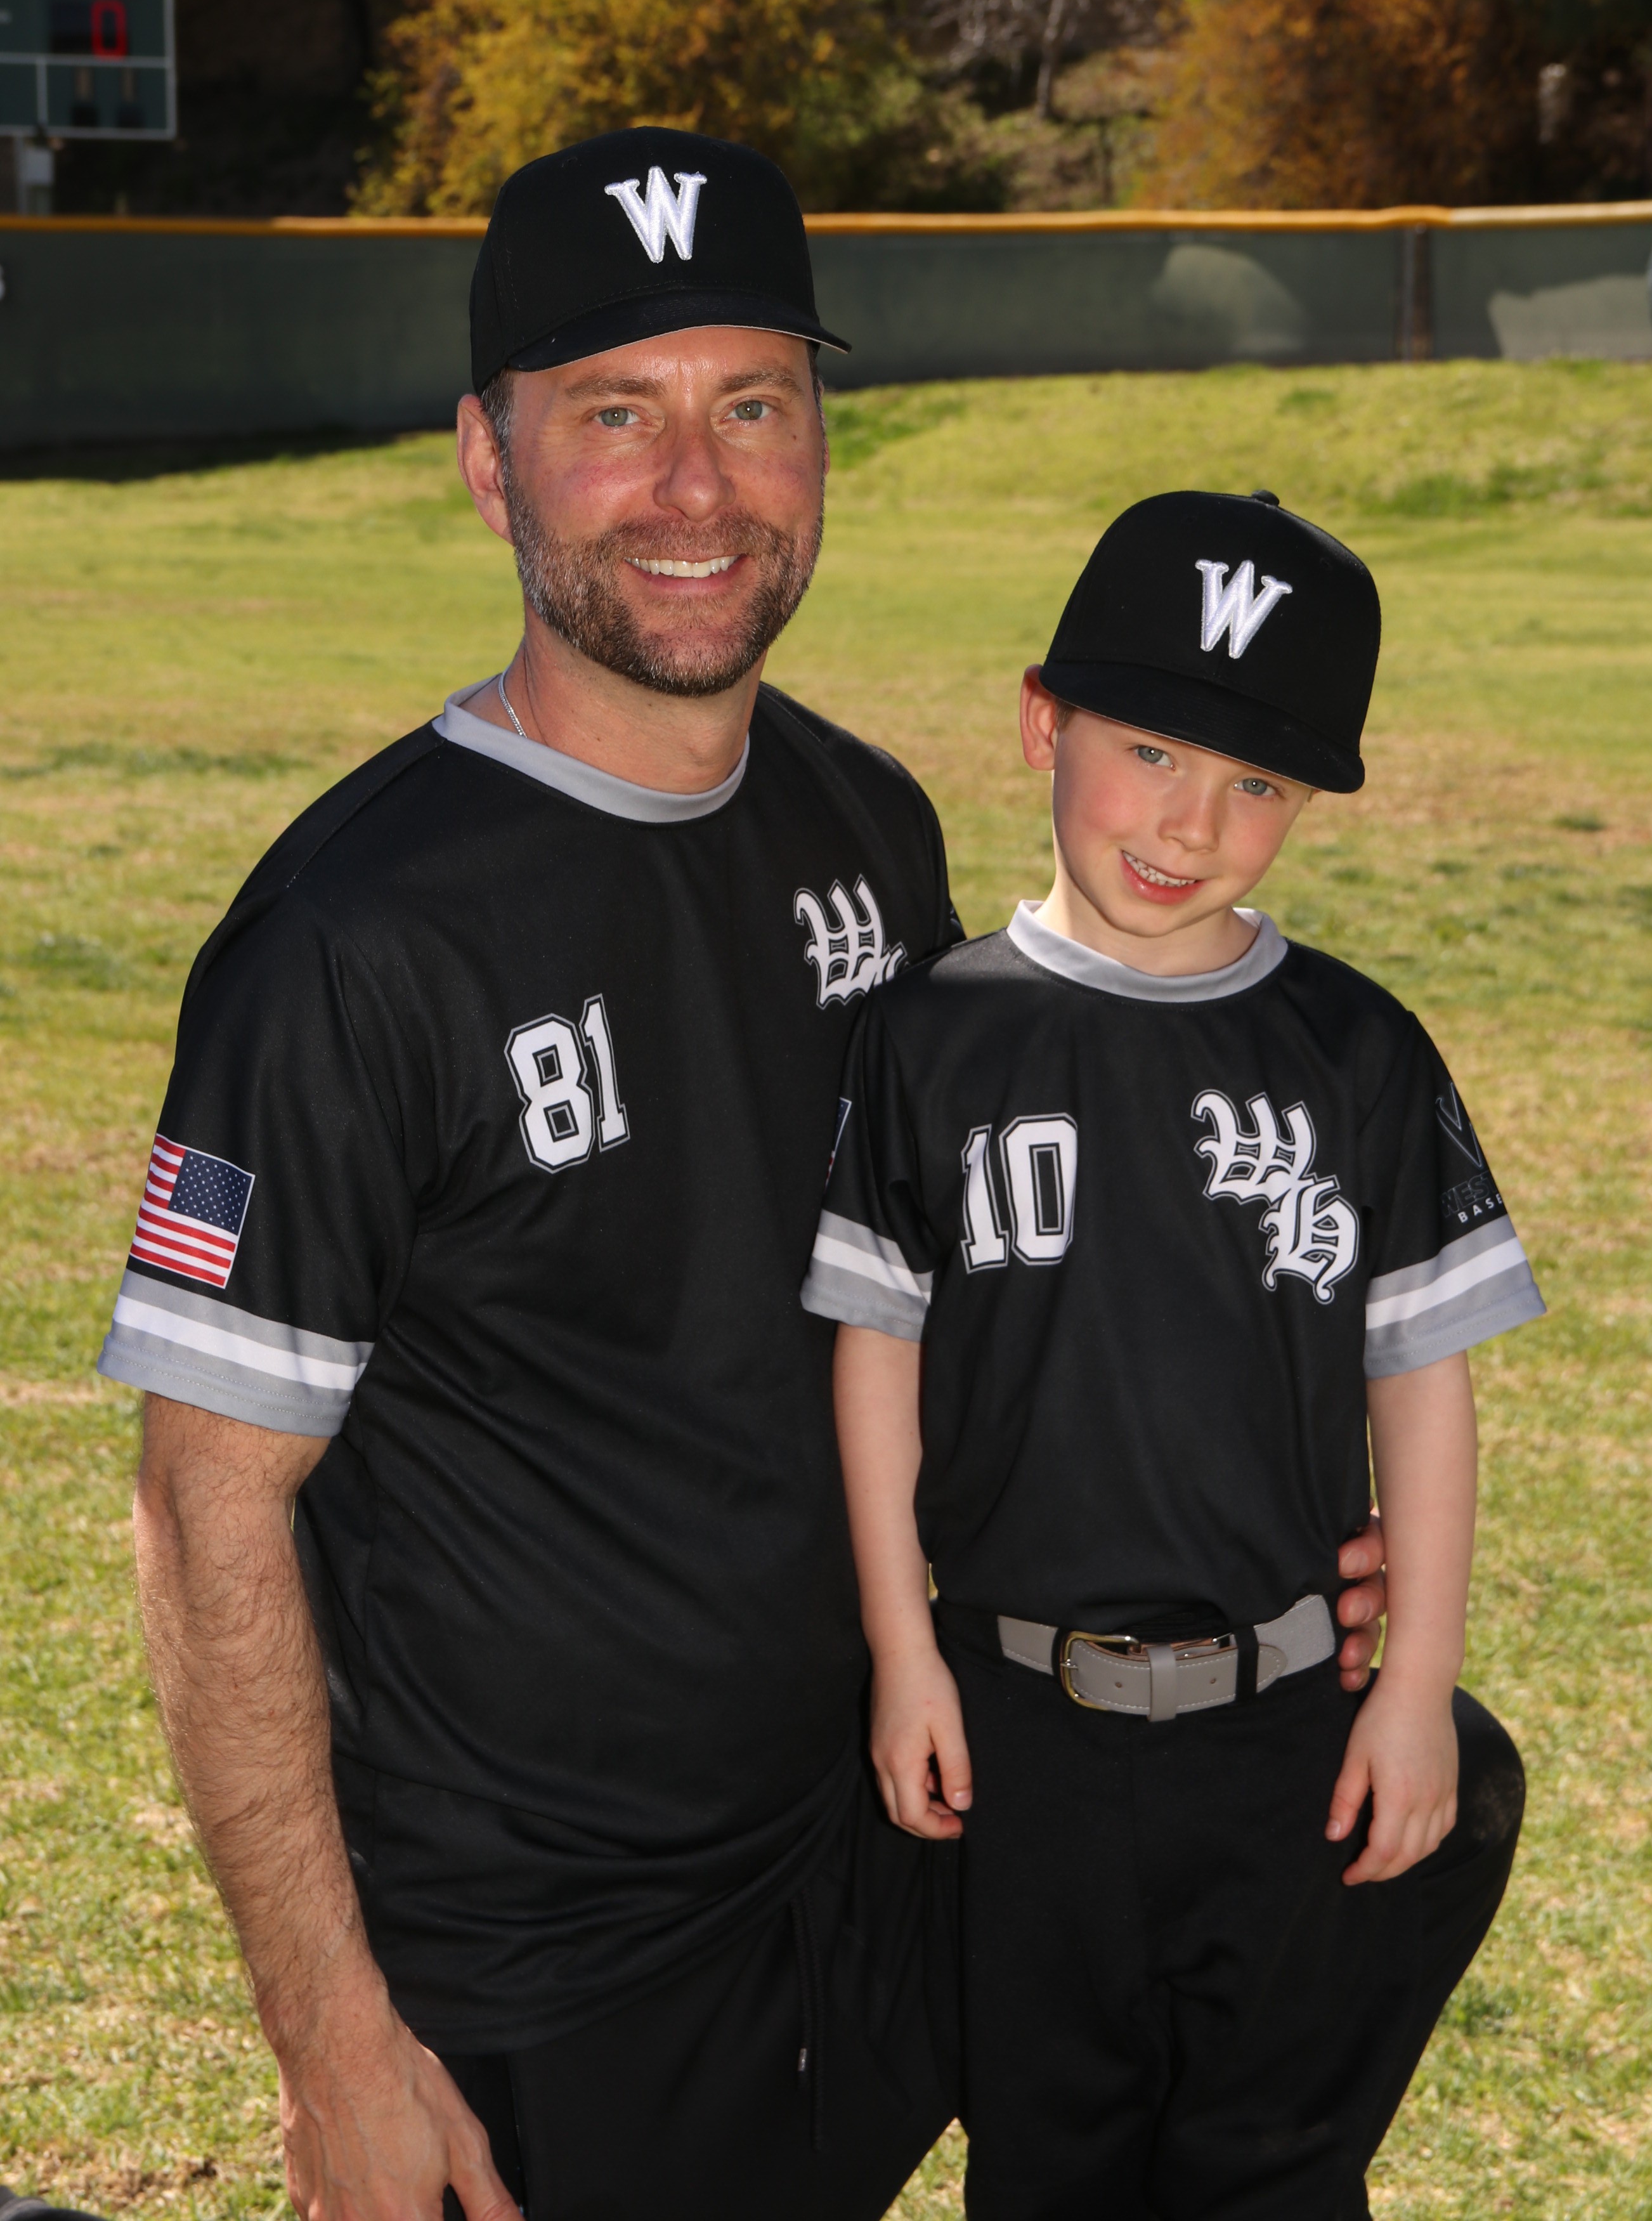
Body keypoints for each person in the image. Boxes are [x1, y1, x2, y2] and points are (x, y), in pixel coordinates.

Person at [103, 134, 1393, 2221]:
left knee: (1386, 1816)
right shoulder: (353, 941)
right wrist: (335, 2046)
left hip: (889, 1823)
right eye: (616, 414)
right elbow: (203, 1504)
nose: (697, 488)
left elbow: (978, 1292)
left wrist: (1261, 1533)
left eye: (755, 406)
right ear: (489, 461)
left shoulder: (864, 824)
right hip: (560, 1949)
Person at [803, 490, 1541, 2219]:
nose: (1190, 822)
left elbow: (1422, 1380)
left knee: (1271, 2172)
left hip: (1283, 1724)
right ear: (1042, 721)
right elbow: (877, 1364)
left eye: (1257, 782)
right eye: (1149, 750)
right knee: (1047, 2165)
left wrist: (1418, 1684)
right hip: (1021, 1725)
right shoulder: (932, 1035)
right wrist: (904, 1656)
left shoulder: (1355, 1050)